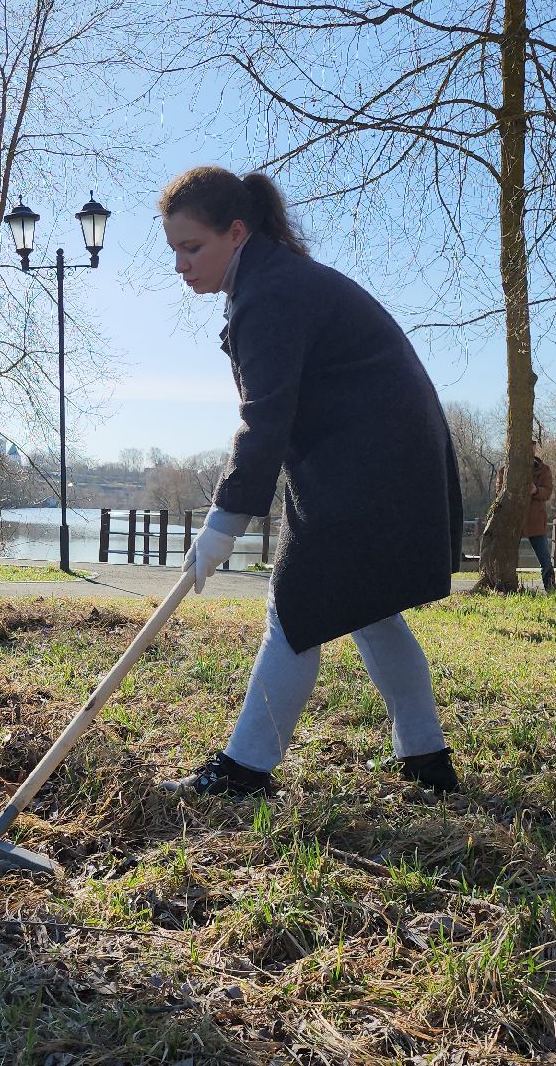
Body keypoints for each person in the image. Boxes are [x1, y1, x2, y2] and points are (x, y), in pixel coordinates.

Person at [156, 166, 464, 799]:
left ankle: (244, 770)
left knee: (294, 608)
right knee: (368, 610)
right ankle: (428, 763)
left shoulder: (269, 294)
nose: (181, 265)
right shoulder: (273, 280)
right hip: (382, 459)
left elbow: (264, 420)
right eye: (174, 251)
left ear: (236, 232)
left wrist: (221, 523)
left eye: (193, 247)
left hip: (370, 465)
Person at [494, 441, 556, 593]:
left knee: (545, 560)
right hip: (512, 521)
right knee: (506, 557)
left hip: (535, 522)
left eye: (533, 445)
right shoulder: (505, 470)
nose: (531, 448)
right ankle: (504, 587)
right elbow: (499, 493)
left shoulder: (544, 470)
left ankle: (551, 591)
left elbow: (547, 492)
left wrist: (535, 491)